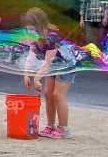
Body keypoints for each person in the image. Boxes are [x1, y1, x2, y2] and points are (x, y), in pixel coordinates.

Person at [22, 8, 73, 139]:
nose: (29, 30)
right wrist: (26, 75)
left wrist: (37, 78)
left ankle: (64, 129)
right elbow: (30, 56)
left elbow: (48, 61)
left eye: (31, 27)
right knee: (47, 93)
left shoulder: (51, 37)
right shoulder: (36, 39)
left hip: (67, 65)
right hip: (55, 66)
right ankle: (51, 126)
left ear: (39, 24)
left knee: (57, 95)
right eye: (28, 28)